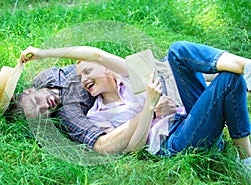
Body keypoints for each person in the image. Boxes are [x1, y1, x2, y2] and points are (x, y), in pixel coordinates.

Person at [15, 41, 250, 173]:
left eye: (87, 71)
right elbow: (134, 148)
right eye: (80, 77)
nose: (84, 79)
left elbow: (94, 53)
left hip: (188, 116)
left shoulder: (129, 77)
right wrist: (150, 107)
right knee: (228, 80)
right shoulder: (97, 114)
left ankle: (245, 66)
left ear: (105, 68)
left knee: (178, 51)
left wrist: (44, 53)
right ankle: (245, 155)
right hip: (175, 140)